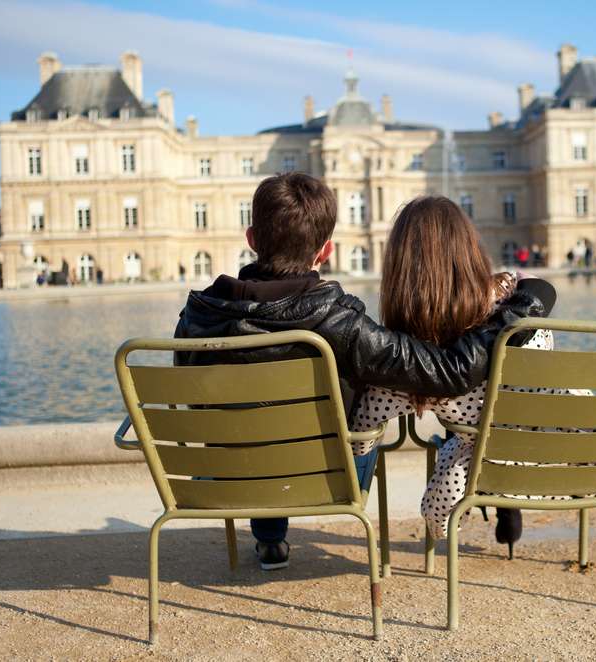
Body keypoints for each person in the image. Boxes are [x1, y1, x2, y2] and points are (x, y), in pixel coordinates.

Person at [172, 174, 545, 571]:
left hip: (223, 476)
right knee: (360, 431)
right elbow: (446, 373)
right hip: (322, 477)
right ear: (326, 250)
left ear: (251, 238)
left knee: (257, 429)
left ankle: (270, 540)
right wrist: (523, 306)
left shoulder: (195, 317)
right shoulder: (339, 321)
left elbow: (193, 402)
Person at [349, 196, 558, 556]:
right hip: (562, 454)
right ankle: (504, 490)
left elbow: (361, 439)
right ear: (470, 248)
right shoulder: (523, 311)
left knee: (462, 431)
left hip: (474, 464)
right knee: (487, 406)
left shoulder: (410, 353)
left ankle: (482, 468)